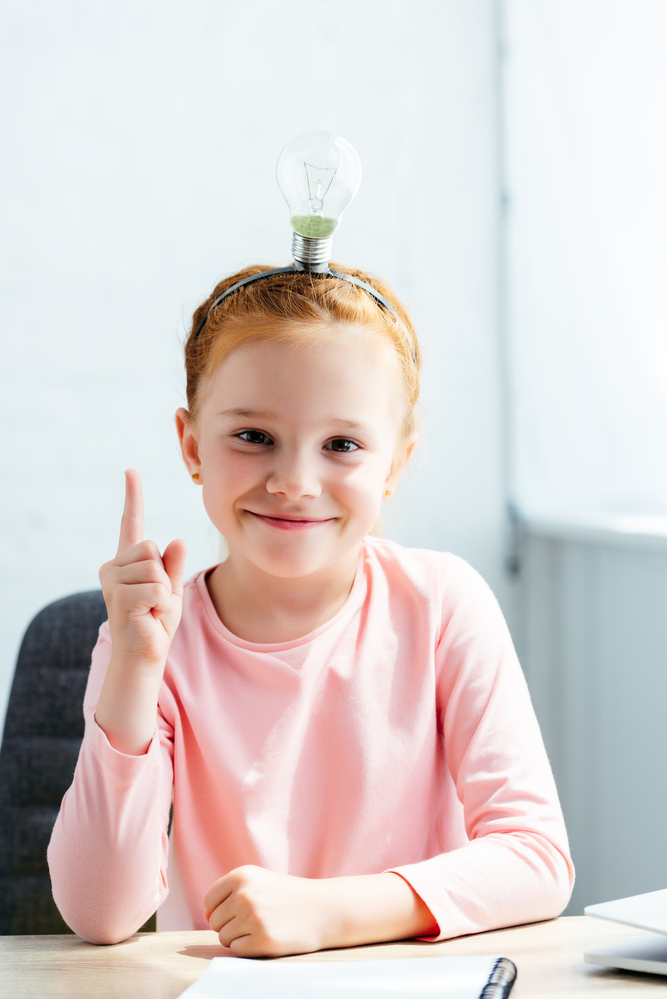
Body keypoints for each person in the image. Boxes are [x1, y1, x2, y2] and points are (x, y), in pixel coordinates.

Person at [48, 263, 573, 956]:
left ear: (394, 463)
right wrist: (136, 669)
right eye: (253, 436)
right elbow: (99, 913)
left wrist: (327, 913)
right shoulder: (145, 645)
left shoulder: (443, 603)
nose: (294, 482)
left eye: (343, 445)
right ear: (191, 444)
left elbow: (536, 857)